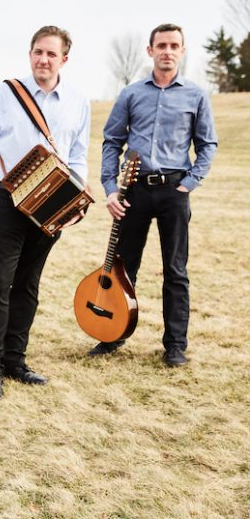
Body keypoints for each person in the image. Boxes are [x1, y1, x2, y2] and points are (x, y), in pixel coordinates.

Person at [0, 26, 90, 400]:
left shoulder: (77, 101)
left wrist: (75, 200)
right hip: (7, 199)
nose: (43, 59)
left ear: (64, 59)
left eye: (51, 54)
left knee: (29, 286)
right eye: (37, 52)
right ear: (29, 54)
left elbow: (77, 155)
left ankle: (14, 360)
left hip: (51, 205)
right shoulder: (5, 94)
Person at [91, 23, 218, 366]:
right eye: (161, 45)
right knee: (123, 266)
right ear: (150, 50)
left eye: (174, 45)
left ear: (182, 50)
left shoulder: (196, 95)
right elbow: (112, 141)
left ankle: (175, 346)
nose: (167, 51)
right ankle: (112, 335)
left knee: (175, 270)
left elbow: (207, 145)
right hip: (134, 191)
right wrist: (109, 189)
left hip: (174, 191)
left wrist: (189, 183)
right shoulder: (131, 94)